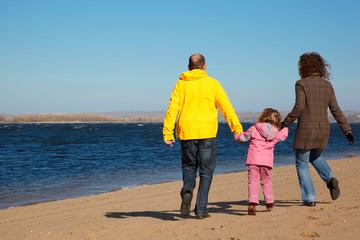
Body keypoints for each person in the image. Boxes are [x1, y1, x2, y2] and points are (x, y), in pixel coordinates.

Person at [163, 53, 243, 219]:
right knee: (206, 172)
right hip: (207, 133)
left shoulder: (180, 84)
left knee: (189, 167)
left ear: (188, 67)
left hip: (187, 132)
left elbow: (172, 109)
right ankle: (201, 210)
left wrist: (167, 132)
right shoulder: (213, 84)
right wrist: (236, 129)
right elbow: (226, 108)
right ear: (204, 66)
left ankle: (187, 189)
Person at [282, 52, 355, 207]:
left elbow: (299, 107)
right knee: (315, 157)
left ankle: (309, 198)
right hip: (323, 130)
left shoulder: (300, 83)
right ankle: (330, 178)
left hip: (306, 131)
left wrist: (285, 123)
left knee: (302, 164)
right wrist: (347, 131)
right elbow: (336, 110)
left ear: (304, 66)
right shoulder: (327, 85)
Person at [235, 108, 289, 215]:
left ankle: (252, 203)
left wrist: (236, 135)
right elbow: (283, 136)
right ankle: (269, 203)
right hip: (266, 161)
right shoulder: (276, 133)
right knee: (266, 181)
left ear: (263, 117)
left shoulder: (254, 128)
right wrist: (285, 127)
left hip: (253, 160)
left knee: (253, 181)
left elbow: (243, 138)